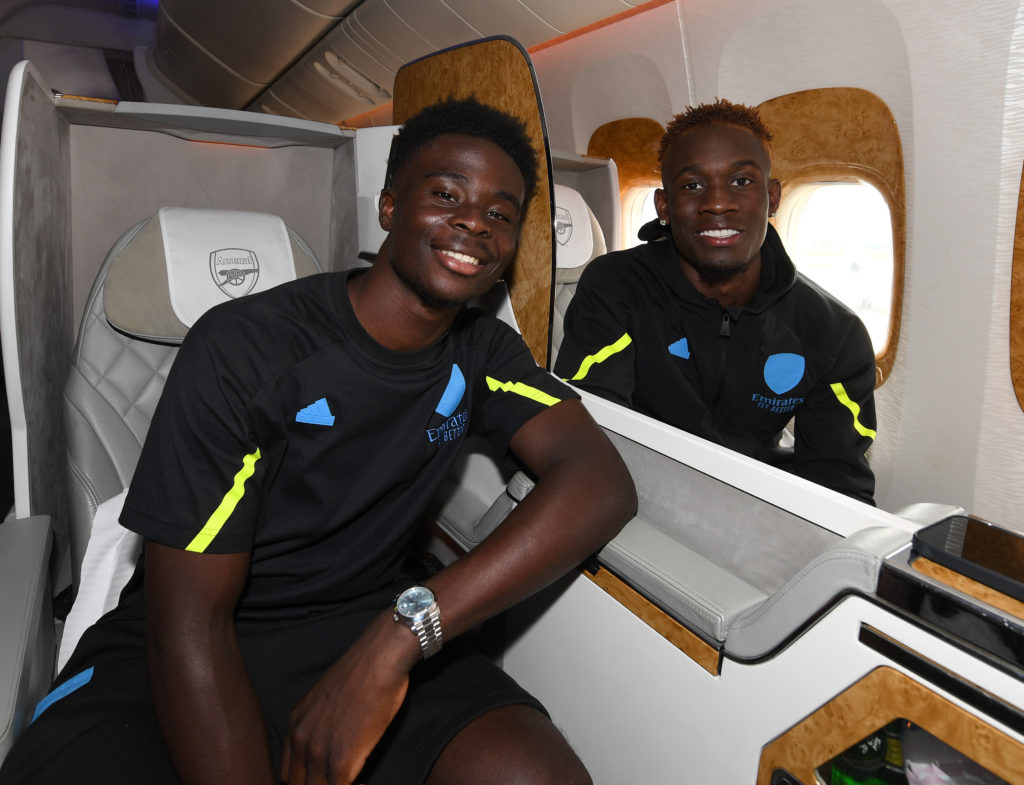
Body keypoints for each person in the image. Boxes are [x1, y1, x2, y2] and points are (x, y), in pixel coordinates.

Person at [0, 97, 636, 785]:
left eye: (500, 214)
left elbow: (600, 482)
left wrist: (403, 634)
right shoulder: (247, 348)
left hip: (365, 622)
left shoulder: (484, 351)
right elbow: (189, 623)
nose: (473, 222)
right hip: (199, 636)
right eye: (447, 193)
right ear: (390, 206)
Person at [554, 98, 876, 504]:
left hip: (753, 506)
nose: (718, 202)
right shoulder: (618, 286)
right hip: (635, 492)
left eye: (741, 181)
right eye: (692, 185)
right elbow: (595, 425)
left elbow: (840, 485)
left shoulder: (832, 332)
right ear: (664, 206)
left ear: (773, 198)